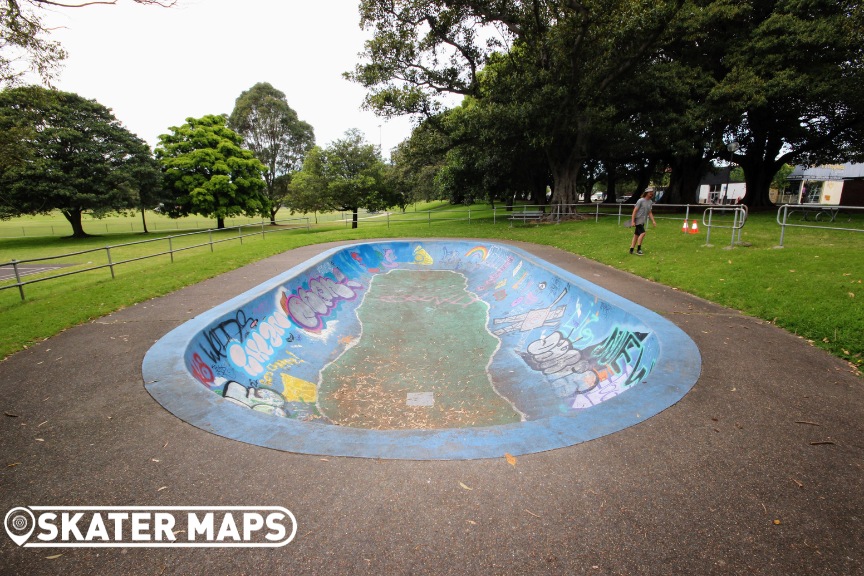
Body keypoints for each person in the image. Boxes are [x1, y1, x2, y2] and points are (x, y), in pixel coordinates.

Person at [629, 187, 657, 255]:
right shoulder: (640, 200)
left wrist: (653, 221)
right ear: (647, 193)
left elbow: (649, 212)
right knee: (643, 233)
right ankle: (639, 249)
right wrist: (632, 221)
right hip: (638, 220)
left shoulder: (650, 202)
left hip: (642, 221)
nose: (651, 195)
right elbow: (634, 211)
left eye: (652, 194)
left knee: (636, 235)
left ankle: (631, 249)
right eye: (650, 194)